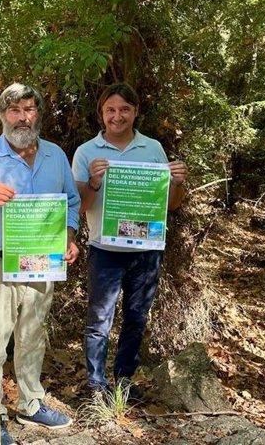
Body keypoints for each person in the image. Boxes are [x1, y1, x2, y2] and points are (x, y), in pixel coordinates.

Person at [0, 84, 81, 444]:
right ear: (2, 116)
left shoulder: (55, 155)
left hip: (42, 263)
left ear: (38, 114)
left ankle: (30, 403)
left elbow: (72, 201)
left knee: (32, 337)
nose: (22, 117)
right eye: (14, 110)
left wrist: (69, 236)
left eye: (29, 109)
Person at [72, 83, 187, 397]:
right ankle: (96, 385)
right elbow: (78, 206)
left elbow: (170, 204)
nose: (117, 116)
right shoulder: (86, 151)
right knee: (99, 319)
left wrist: (177, 183)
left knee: (136, 318)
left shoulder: (153, 148)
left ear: (135, 112)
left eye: (124, 109)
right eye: (110, 109)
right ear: (101, 113)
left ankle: (123, 381)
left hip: (146, 250)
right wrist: (94, 182)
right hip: (104, 249)